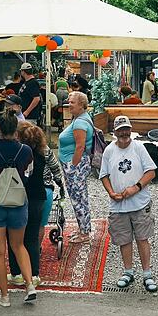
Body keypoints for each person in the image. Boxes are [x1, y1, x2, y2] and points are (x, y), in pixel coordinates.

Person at [0, 110, 37, 306]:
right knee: (19, 245)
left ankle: (4, 296)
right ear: (16, 129)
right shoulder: (26, 151)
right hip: (19, 201)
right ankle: (29, 285)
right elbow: (28, 175)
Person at [100, 115, 158, 292]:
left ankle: (147, 273)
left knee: (142, 237)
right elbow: (104, 175)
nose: (124, 133)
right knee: (124, 239)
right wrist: (111, 192)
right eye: (121, 130)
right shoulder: (109, 151)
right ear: (115, 132)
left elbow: (151, 172)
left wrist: (136, 187)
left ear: (130, 130)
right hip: (118, 205)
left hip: (140, 202)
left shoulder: (139, 147)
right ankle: (128, 272)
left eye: (127, 129)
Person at [11, 123, 52, 287]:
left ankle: (17, 273)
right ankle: (34, 274)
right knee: (32, 238)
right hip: (38, 196)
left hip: (20, 197)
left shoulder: (19, 154)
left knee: (15, 238)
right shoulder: (43, 153)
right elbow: (55, 170)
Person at [59, 91, 94, 243]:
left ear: (81, 105)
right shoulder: (80, 119)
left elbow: (80, 147)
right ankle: (83, 228)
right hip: (75, 166)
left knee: (79, 198)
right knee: (78, 198)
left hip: (76, 167)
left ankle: (85, 233)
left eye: (72, 102)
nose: (69, 104)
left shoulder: (80, 122)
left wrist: (72, 166)